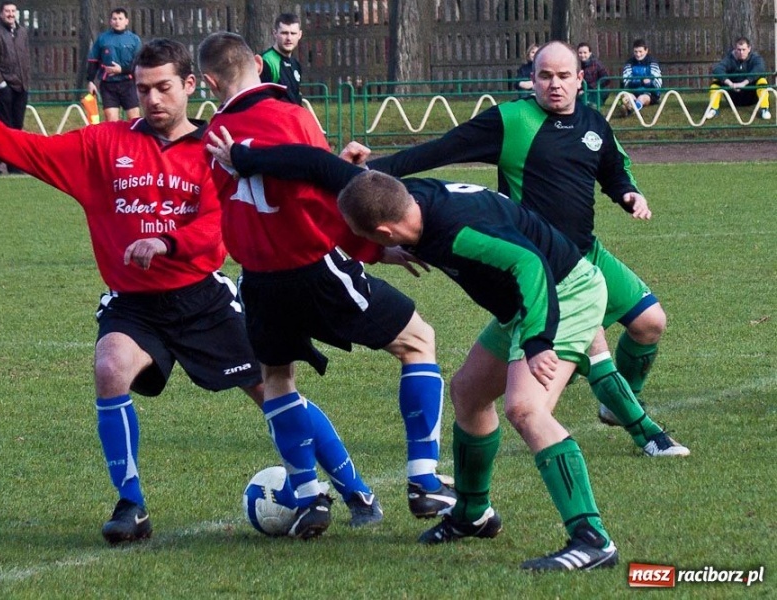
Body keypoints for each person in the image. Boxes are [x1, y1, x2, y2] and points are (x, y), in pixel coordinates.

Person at [0, 38, 384, 545]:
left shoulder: (217, 148)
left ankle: (355, 489)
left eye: (164, 88)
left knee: (273, 389)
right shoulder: (103, 144)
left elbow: (220, 225)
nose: (153, 99)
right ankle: (130, 505)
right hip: (134, 304)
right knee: (110, 366)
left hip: (204, 298)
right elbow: (38, 152)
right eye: (142, 88)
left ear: (191, 86)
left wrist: (168, 240)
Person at [205, 135, 620, 570]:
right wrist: (244, 157)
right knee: (469, 394)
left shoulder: (456, 230)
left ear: (382, 233)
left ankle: (592, 539)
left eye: (363, 241)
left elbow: (529, 264)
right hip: (522, 302)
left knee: (525, 409)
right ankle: (472, 515)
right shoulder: (394, 198)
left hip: (563, 293)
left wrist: (537, 341)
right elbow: (313, 164)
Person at [366, 41, 688, 457]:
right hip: (542, 264)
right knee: (594, 342)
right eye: (545, 76)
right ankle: (649, 434)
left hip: (588, 253)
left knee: (651, 323)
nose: (554, 85)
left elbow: (614, 169)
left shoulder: (593, 125)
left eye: (563, 76)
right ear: (532, 79)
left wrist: (629, 194)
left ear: (580, 79)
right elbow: (438, 151)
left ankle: (614, 402)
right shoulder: (512, 119)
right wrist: (366, 174)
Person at [198, 31, 455, 539]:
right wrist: (373, 248)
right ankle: (424, 478)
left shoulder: (216, 137)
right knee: (418, 340)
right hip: (315, 268)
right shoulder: (292, 114)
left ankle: (309, 495)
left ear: (208, 82)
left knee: (277, 377)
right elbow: (325, 197)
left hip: (259, 279)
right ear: (257, 62)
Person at [0, 1, 30, 175]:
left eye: (13, 11)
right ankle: (12, 164)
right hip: (3, 86)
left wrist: (26, 81)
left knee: (17, 126)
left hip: (21, 85)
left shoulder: (22, 32)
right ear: (1, 14)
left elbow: (25, 58)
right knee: (6, 126)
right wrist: (1, 85)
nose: (10, 14)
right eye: (7, 11)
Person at [86, 7, 143, 122]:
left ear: (126, 21)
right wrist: (90, 81)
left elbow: (139, 64)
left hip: (128, 83)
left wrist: (121, 70)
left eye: (120, 18)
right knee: (112, 121)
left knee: (134, 119)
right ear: (110, 21)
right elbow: (93, 61)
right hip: (108, 85)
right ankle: (115, 140)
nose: (117, 21)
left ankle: (131, 140)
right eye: (114, 19)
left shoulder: (134, 40)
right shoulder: (102, 39)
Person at [705, 37, 771, 121]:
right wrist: (730, 83)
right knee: (716, 82)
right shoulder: (729, 59)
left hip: (751, 96)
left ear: (749, 49)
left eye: (744, 49)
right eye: (739, 50)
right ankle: (713, 109)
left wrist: (744, 83)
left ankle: (764, 109)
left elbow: (760, 68)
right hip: (733, 96)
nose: (741, 52)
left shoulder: (755, 58)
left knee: (762, 80)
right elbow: (717, 69)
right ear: (735, 49)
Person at [259, 13, 304, 105]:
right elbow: (260, 101)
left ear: (299, 35)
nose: (289, 38)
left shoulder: (296, 64)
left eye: (293, 33)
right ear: (275, 33)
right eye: (284, 33)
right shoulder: (266, 62)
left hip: (292, 117)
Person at [620, 38, 662, 116]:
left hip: (650, 93)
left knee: (642, 98)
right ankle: (626, 108)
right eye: (636, 52)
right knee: (627, 97)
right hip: (633, 91)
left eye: (640, 51)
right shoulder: (629, 63)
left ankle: (631, 109)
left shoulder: (653, 62)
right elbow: (626, 81)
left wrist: (650, 82)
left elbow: (657, 82)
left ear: (646, 51)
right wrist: (641, 81)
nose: (638, 54)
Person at [577, 42, 611, 109]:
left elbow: (606, 79)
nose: (582, 55)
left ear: (590, 53)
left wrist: (593, 86)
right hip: (582, 91)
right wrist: (580, 90)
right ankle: (589, 104)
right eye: (580, 53)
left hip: (596, 89)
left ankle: (593, 104)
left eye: (585, 53)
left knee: (603, 92)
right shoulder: (576, 65)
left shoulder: (596, 64)